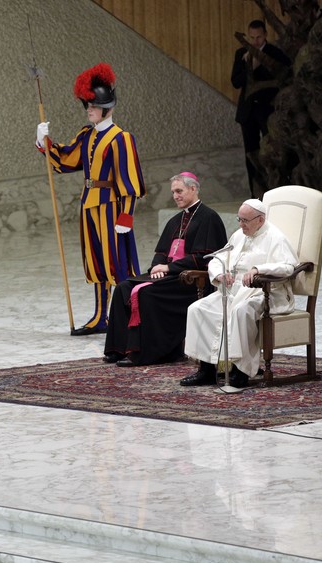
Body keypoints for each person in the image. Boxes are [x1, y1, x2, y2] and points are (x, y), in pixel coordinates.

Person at [35, 62, 146, 336]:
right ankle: (100, 317)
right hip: (89, 204)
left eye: (93, 106)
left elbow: (130, 182)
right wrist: (44, 143)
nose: (89, 110)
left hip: (111, 206)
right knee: (96, 261)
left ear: (106, 108)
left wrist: (126, 216)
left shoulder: (121, 138)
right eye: (88, 106)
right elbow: (67, 159)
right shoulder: (87, 135)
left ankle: (129, 316)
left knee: (118, 263)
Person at [103, 172, 227, 367]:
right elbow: (161, 252)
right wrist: (156, 268)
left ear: (193, 189)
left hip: (190, 281)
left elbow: (204, 259)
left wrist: (168, 267)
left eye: (179, 191)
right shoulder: (175, 220)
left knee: (146, 293)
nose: (175, 196)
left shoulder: (209, 218)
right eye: (173, 192)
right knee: (123, 288)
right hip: (168, 277)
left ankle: (150, 353)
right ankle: (119, 349)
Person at [180, 199, 298, 388]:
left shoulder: (276, 238)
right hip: (233, 291)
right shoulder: (238, 235)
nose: (241, 224)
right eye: (239, 219)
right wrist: (219, 272)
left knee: (241, 311)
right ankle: (207, 370)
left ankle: (240, 371)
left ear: (260, 220)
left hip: (264, 293)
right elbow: (218, 257)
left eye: (245, 220)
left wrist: (258, 269)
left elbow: (288, 267)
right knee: (198, 309)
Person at [231, 19, 291, 198]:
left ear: (265, 35)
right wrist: (249, 66)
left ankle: (275, 194)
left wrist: (262, 64)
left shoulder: (275, 53)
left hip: (268, 111)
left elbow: (286, 75)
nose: (255, 41)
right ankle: (255, 195)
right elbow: (235, 82)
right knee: (250, 154)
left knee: (271, 152)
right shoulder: (242, 53)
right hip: (248, 111)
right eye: (252, 37)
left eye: (258, 37)